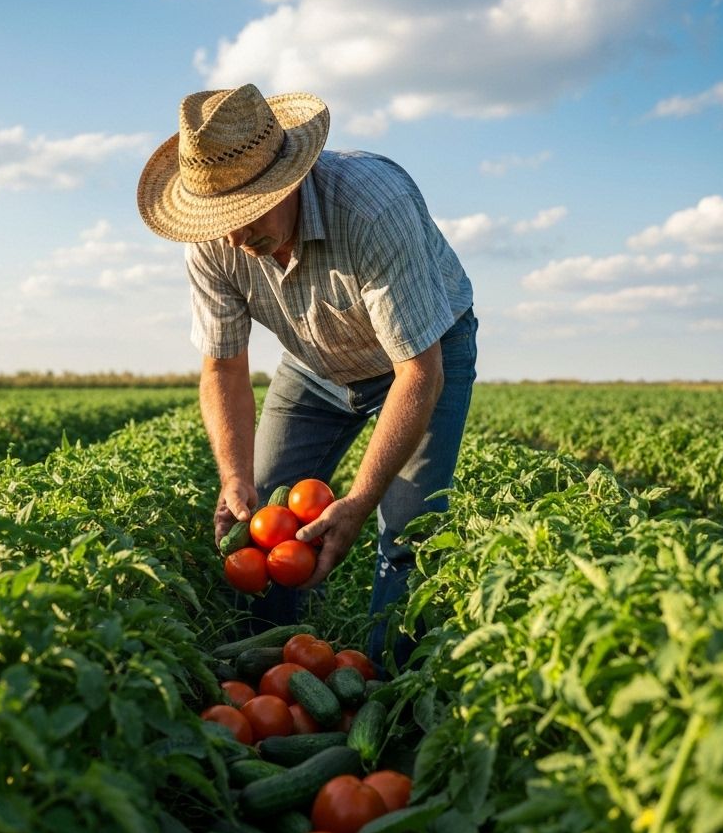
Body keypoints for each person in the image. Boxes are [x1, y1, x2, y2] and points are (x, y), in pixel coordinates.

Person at [136, 83, 477, 668]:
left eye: (247, 215)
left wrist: (363, 498)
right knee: (264, 511)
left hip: (424, 354)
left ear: (289, 181)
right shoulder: (217, 246)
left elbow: (418, 373)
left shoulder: (372, 207)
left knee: (408, 531)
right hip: (314, 364)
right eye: (222, 222)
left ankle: (391, 688)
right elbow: (222, 367)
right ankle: (272, 669)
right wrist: (233, 476)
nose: (237, 240)